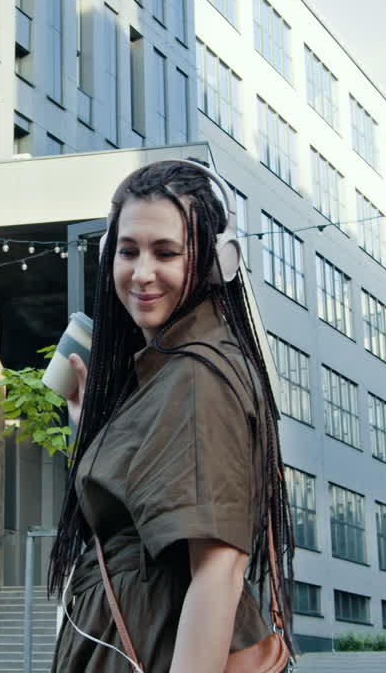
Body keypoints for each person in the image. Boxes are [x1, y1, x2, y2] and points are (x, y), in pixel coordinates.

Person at [49, 159, 294, 672]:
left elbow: (219, 571)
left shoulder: (198, 376)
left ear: (215, 261)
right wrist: (93, 434)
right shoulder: (163, 373)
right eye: (128, 251)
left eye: (166, 252)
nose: (142, 274)